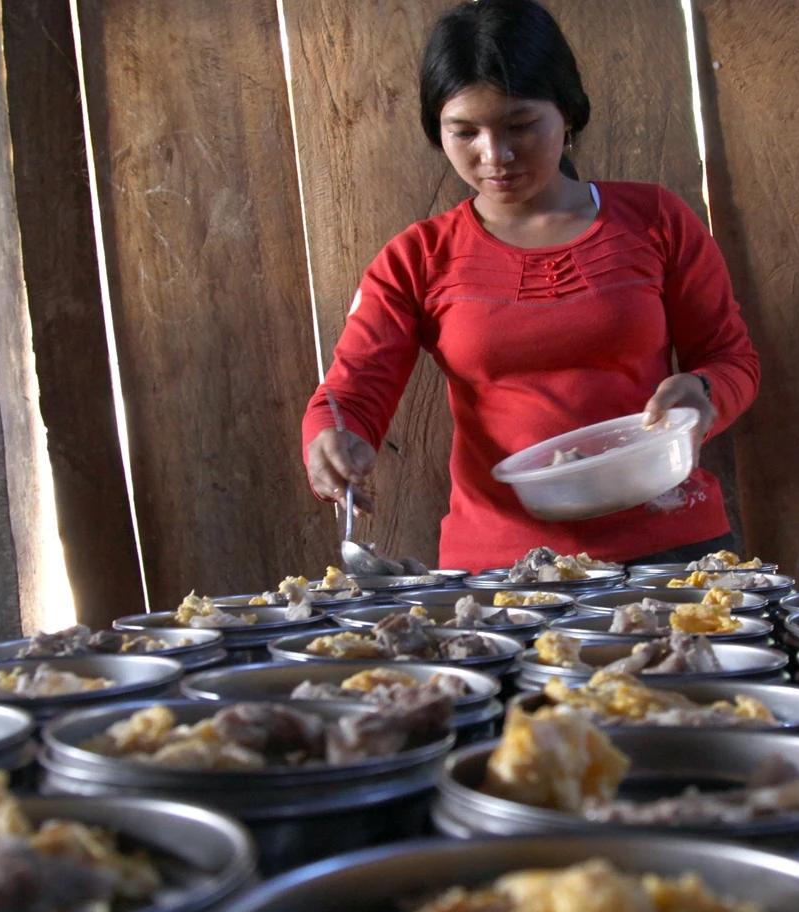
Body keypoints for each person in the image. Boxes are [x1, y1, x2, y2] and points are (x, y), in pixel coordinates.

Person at [301, 0, 760, 572]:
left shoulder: (655, 220)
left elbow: (730, 358)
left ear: (566, 113)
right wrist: (330, 439)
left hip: (674, 551)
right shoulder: (418, 258)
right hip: (501, 573)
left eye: (520, 125)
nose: (495, 155)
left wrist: (704, 393)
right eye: (464, 132)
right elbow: (351, 393)